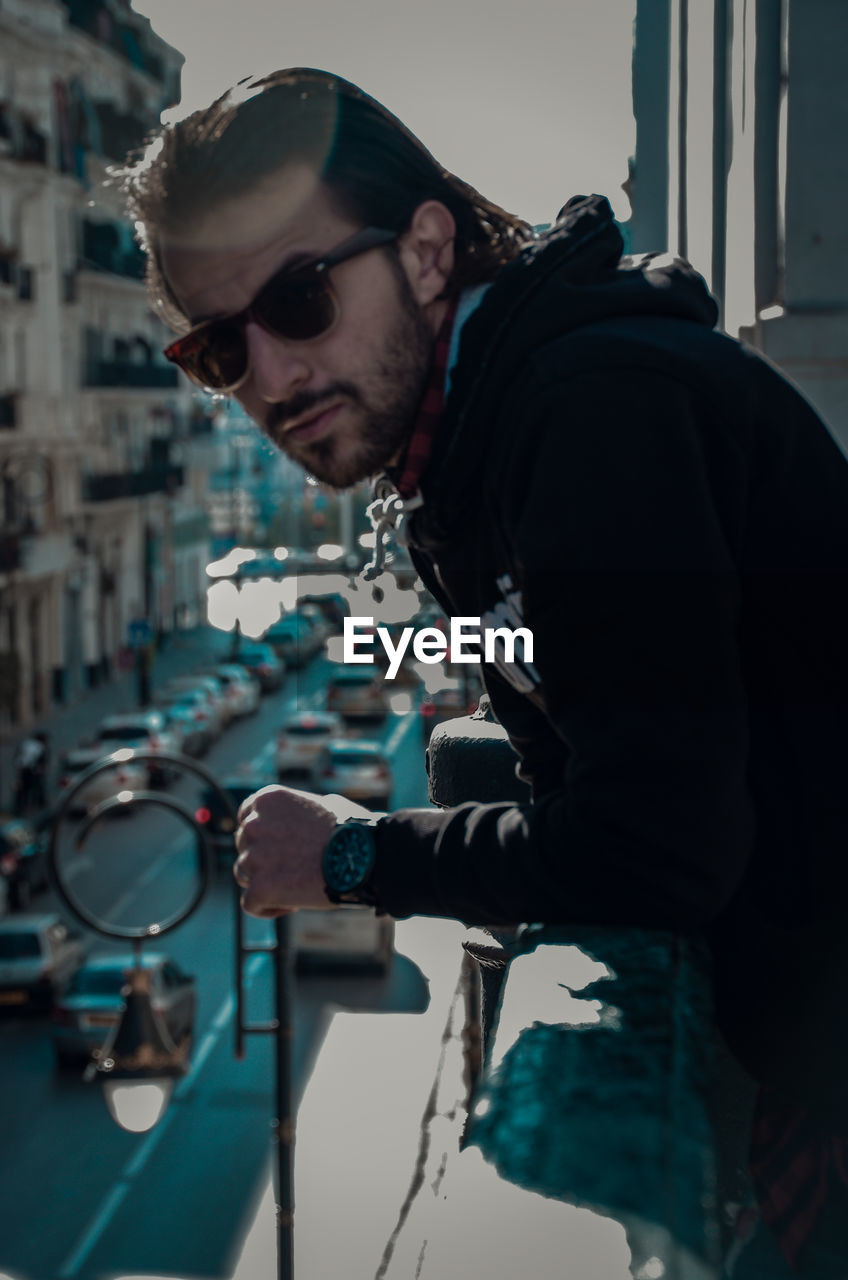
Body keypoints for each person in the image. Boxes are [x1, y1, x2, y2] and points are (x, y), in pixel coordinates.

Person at [119, 69, 848, 1275]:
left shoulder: (588, 415)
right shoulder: (481, 437)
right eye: (216, 347)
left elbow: (656, 839)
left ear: (424, 247)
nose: (269, 377)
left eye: (299, 298)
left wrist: (357, 854)